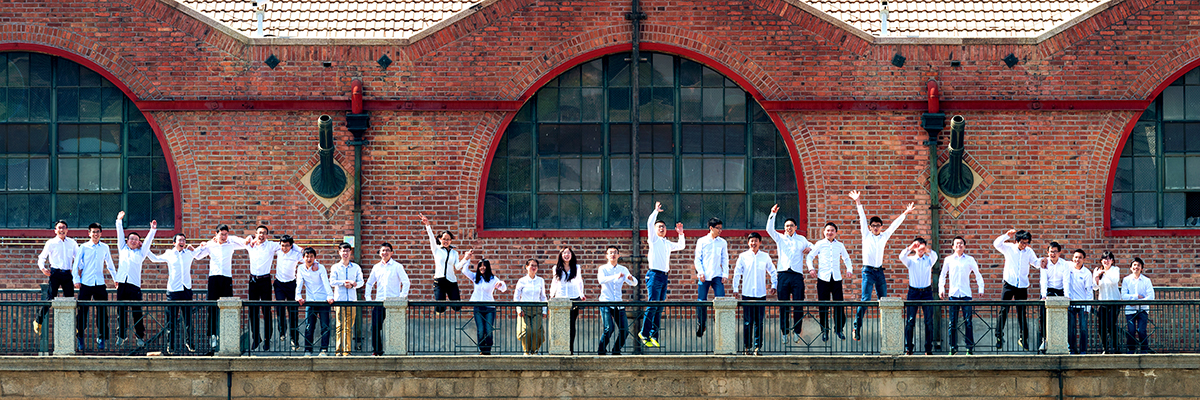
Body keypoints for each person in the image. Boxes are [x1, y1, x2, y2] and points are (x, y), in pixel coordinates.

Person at [849, 190, 915, 341]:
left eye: (878, 226)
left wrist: (905, 213)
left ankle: (887, 330)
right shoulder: (866, 235)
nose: (876, 228)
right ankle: (856, 327)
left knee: (883, 300)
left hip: (879, 272)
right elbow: (862, 218)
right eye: (873, 226)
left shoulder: (884, 236)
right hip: (867, 271)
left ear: (881, 227)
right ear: (870, 227)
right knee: (865, 299)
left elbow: (894, 226)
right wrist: (858, 202)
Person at [146, 233, 208, 354]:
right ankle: (171, 344)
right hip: (173, 291)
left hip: (186, 290)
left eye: (184, 240)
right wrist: (145, 249)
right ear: (174, 243)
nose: (182, 242)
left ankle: (189, 342)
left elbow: (200, 252)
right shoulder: (169, 254)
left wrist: (204, 245)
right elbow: (154, 258)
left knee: (188, 318)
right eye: (180, 240)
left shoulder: (189, 253)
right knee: (171, 319)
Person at [638, 201, 686, 348]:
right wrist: (656, 212)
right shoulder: (653, 240)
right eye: (659, 227)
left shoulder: (667, 243)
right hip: (654, 275)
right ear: (654, 230)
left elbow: (681, 246)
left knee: (659, 307)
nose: (662, 228)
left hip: (664, 276)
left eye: (663, 227)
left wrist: (681, 234)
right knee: (652, 305)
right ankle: (644, 333)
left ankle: (654, 335)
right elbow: (649, 222)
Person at [194, 224, 248, 349]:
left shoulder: (231, 244)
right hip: (214, 278)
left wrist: (230, 238)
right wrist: (201, 246)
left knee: (228, 305)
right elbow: (197, 256)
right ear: (216, 234)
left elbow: (244, 244)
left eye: (226, 234)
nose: (224, 237)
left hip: (226, 277)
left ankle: (227, 335)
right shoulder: (210, 244)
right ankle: (212, 335)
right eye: (221, 234)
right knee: (212, 307)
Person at [766, 204, 812, 344]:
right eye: (787, 226)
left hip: (797, 275)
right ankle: (784, 332)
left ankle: (797, 331)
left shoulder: (801, 239)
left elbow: (814, 247)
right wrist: (773, 214)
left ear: (795, 227)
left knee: (798, 304)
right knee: (783, 305)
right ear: (784, 228)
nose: (789, 228)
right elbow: (769, 229)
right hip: (783, 275)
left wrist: (810, 248)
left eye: (791, 225)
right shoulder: (780, 238)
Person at [113, 212, 157, 348]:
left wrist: (152, 230)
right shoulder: (122, 249)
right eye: (131, 238)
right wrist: (119, 221)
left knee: (137, 312)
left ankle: (139, 337)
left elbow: (147, 243)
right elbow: (120, 235)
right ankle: (121, 335)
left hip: (134, 286)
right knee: (121, 311)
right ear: (127, 241)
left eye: (136, 239)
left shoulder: (141, 253)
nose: (133, 241)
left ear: (139, 242)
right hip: (122, 284)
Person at [992, 229, 1039, 350]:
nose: (1024, 245)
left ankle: (1023, 338)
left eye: (1027, 243)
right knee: (1004, 310)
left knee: (1021, 312)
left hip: (1022, 286)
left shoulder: (1029, 251)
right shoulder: (1009, 248)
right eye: (1022, 242)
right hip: (1009, 284)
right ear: (1017, 241)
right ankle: (998, 336)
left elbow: (1035, 263)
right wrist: (1006, 236)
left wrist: (1042, 261)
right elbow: (996, 244)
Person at [805, 222, 853, 341]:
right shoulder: (819, 244)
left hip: (836, 278)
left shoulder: (840, 245)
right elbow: (810, 257)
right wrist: (811, 269)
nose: (829, 232)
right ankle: (824, 330)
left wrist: (849, 269)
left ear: (835, 232)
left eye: (832, 230)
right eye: (827, 230)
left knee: (839, 305)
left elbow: (846, 258)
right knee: (823, 306)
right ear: (824, 232)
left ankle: (839, 329)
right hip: (823, 278)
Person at [731, 232, 777, 355]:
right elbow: (737, 273)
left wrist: (774, 285)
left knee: (759, 322)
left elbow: (773, 271)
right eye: (751, 241)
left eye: (756, 241)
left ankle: (757, 347)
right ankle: (747, 347)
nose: (753, 243)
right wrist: (735, 288)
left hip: (761, 294)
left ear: (760, 242)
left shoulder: (765, 256)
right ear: (748, 243)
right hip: (747, 294)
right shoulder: (743, 256)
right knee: (747, 322)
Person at [73, 222, 116, 350]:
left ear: (101, 233)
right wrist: (76, 279)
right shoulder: (84, 247)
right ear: (89, 233)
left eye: (97, 232)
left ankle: (101, 337)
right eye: (93, 232)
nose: (95, 234)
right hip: (86, 283)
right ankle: (80, 337)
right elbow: (76, 264)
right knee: (82, 312)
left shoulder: (105, 247)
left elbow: (110, 264)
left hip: (99, 283)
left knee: (102, 311)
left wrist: (116, 279)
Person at [363, 242, 411, 356]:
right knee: (375, 327)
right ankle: (377, 351)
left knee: (394, 327)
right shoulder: (376, 267)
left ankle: (396, 351)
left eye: (387, 250)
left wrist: (401, 298)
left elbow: (406, 282)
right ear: (380, 253)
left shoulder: (397, 266)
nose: (385, 252)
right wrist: (368, 298)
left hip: (393, 302)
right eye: (383, 250)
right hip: (379, 302)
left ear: (392, 252)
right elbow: (369, 283)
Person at [938, 236, 983, 355]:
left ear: (964, 246)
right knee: (952, 323)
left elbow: (977, 274)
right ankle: (953, 347)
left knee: (968, 322)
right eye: (957, 243)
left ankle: (969, 347)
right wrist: (941, 288)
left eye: (961, 243)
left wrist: (981, 288)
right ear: (953, 246)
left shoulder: (970, 259)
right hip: (953, 294)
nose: (959, 245)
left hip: (966, 294)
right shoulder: (948, 259)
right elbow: (943, 275)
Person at [239, 225, 281, 352]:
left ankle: (267, 338)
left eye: (264, 233)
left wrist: (302, 251)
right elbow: (234, 241)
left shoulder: (271, 246)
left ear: (267, 235)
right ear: (255, 234)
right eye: (259, 233)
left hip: (265, 280)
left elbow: (289, 246)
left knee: (266, 310)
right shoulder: (250, 245)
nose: (261, 235)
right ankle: (256, 337)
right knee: (253, 310)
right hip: (253, 281)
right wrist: (247, 238)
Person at [35, 220, 78, 336]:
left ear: (67, 230)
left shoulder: (72, 243)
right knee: (50, 298)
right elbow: (42, 257)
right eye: (59, 228)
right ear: (55, 230)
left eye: (64, 227)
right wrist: (43, 269)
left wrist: (77, 271)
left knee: (70, 300)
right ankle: (38, 320)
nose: (61, 230)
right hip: (55, 273)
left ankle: (73, 326)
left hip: (67, 273)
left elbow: (78, 258)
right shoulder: (51, 243)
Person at [420, 214, 468, 313]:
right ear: (440, 239)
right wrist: (427, 225)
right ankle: (439, 310)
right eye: (444, 239)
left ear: (451, 241)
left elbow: (457, 267)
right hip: (439, 281)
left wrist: (465, 258)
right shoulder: (436, 249)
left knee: (457, 307)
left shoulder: (454, 253)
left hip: (451, 281)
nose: (446, 241)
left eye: (448, 239)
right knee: (440, 308)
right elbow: (431, 238)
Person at [899, 237, 938, 355]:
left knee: (928, 321)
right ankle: (909, 348)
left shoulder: (929, 260)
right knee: (910, 320)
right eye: (918, 246)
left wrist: (926, 250)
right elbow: (901, 256)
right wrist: (910, 247)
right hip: (913, 292)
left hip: (927, 292)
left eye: (922, 246)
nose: (920, 248)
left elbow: (935, 256)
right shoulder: (911, 260)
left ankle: (928, 349)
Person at [597, 246, 637, 355]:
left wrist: (631, 279)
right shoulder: (603, 268)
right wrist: (616, 276)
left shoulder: (623, 269)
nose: (613, 255)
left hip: (618, 304)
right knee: (609, 328)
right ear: (607, 256)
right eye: (610, 253)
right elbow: (601, 280)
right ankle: (601, 350)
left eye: (615, 252)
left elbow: (634, 283)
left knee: (625, 330)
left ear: (618, 255)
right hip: (606, 302)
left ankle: (616, 350)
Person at [462, 259, 507, 355]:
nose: (482, 268)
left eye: (484, 265)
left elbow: (503, 288)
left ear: (488, 267)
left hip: (490, 307)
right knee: (481, 330)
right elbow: (464, 271)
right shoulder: (475, 277)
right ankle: (482, 350)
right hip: (478, 307)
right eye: (480, 266)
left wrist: (501, 284)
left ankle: (488, 350)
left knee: (489, 329)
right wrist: (468, 259)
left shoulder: (492, 279)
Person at [693, 217, 728, 338]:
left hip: (717, 275)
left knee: (721, 298)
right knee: (701, 301)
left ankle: (719, 322)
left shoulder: (722, 242)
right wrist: (700, 272)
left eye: (721, 228)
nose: (720, 230)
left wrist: (725, 274)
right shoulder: (702, 241)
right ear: (711, 228)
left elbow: (725, 259)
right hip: (704, 275)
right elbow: (698, 259)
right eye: (718, 228)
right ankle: (701, 323)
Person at [296, 247, 333, 356]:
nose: (309, 259)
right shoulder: (300, 268)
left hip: (323, 301)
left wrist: (330, 296)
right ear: (303, 258)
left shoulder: (320, 267)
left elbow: (326, 282)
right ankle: (308, 350)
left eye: (311, 256)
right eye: (307, 256)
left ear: (315, 257)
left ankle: (324, 350)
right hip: (310, 301)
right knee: (309, 326)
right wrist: (298, 296)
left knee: (325, 326)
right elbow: (299, 283)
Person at [329, 243, 364, 356]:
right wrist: (344, 283)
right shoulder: (335, 267)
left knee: (349, 326)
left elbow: (361, 282)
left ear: (350, 252)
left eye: (347, 251)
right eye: (343, 251)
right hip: (339, 300)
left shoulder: (356, 267)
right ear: (339, 252)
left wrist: (353, 285)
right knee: (339, 326)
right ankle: (338, 350)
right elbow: (332, 282)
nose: (345, 253)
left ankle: (347, 350)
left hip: (352, 300)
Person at [550, 247, 586, 354]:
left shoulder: (576, 267)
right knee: (560, 324)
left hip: (573, 297)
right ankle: (560, 348)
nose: (566, 255)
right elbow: (554, 282)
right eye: (564, 253)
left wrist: (581, 294)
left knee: (571, 325)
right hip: (560, 297)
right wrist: (552, 295)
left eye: (568, 253)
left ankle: (570, 349)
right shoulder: (556, 268)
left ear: (572, 255)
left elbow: (579, 282)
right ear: (561, 255)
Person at [272, 235, 305, 351]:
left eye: (287, 246)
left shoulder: (296, 255)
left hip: (291, 284)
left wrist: (300, 249)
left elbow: (307, 259)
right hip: (279, 284)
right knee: (280, 307)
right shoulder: (278, 251)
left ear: (291, 246)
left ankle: (294, 339)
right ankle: (282, 331)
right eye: (282, 245)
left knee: (293, 312)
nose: (284, 248)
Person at [1037, 241, 1070, 353]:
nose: (1053, 254)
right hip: (1049, 290)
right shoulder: (1045, 263)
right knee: (1043, 315)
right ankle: (1044, 339)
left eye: (1055, 252)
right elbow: (1043, 280)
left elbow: (1066, 280)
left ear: (1059, 253)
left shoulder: (1064, 264)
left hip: (1060, 290)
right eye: (1051, 251)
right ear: (1048, 252)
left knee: (1063, 314)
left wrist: (1066, 296)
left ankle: (1064, 341)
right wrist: (1043, 295)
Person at [513, 259, 547, 355]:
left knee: (536, 330)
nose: (534, 267)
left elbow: (543, 296)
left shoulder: (540, 280)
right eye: (532, 265)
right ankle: (527, 351)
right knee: (526, 330)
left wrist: (544, 310)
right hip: (524, 309)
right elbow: (516, 296)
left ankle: (535, 350)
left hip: (537, 308)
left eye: (536, 265)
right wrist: (518, 309)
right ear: (527, 267)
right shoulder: (522, 281)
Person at [1064, 249, 1094, 354]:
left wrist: (1088, 307)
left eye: (1080, 258)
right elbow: (1057, 260)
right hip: (1071, 304)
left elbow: (1089, 291)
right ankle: (1072, 349)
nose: (1077, 260)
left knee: (1083, 328)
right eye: (1076, 257)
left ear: (1084, 259)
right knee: (1071, 329)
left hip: (1082, 305)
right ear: (1072, 258)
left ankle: (1083, 350)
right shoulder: (1068, 268)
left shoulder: (1087, 273)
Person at [1122, 257, 1154, 354]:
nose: (1136, 267)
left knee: (1141, 330)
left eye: (1138, 265)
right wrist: (1136, 296)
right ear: (1131, 268)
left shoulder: (1147, 280)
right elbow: (1123, 296)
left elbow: (1151, 296)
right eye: (1134, 265)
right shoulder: (1126, 280)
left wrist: (1137, 302)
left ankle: (1144, 351)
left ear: (1142, 268)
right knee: (1131, 331)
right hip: (1130, 310)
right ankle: (1131, 351)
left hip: (1142, 309)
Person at [1093, 251, 1122, 354]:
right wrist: (1097, 277)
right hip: (1103, 302)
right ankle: (1105, 348)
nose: (1106, 261)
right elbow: (1095, 287)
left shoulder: (1115, 269)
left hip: (1114, 302)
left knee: (1111, 324)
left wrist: (1105, 272)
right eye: (1104, 259)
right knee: (1102, 326)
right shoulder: (1097, 270)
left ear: (1112, 261)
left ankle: (1115, 347)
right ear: (1101, 260)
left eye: (1109, 259)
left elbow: (1114, 280)